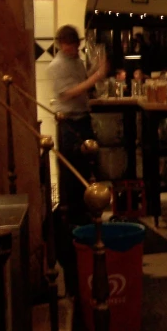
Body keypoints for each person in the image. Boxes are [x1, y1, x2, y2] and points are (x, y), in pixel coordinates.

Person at [47, 24, 107, 291]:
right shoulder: (56, 66)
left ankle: (87, 218)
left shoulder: (76, 61)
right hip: (69, 124)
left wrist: (96, 72)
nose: (74, 48)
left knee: (89, 169)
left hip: (83, 120)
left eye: (76, 43)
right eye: (70, 44)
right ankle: (74, 229)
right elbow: (67, 94)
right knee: (73, 175)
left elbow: (85, 90)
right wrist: (94, 79)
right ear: (61, 43)